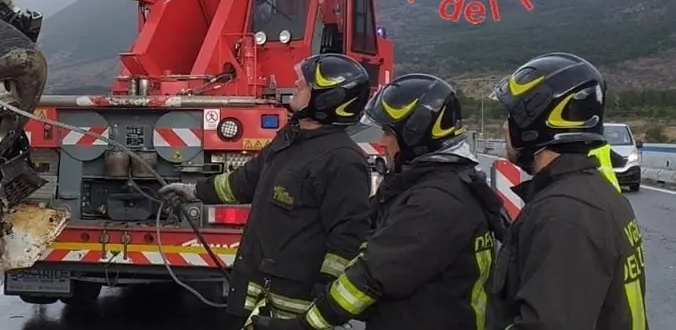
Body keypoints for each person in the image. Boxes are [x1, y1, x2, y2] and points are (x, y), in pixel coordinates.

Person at [250, 73, 511, 330]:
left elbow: (371, 275)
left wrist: (305, 324)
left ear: (414, 134)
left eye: (388, 132)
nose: (382, 142)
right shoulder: (433, 186)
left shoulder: (435, 203)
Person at [159, 53, 373, 327]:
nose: (296, 83)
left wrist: (324, 296)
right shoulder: (289, 140)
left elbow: (348, 238)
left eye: (304, 83)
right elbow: (242, 182)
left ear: (327, 100)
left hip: (293, 304)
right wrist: (193, 191)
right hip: (254, 289)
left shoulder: (343, 160)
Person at [486, 52, 647, 329]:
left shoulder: (564, 214)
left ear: (532, 124)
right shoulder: (595, 193)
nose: (504, 127)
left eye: (511, 116)